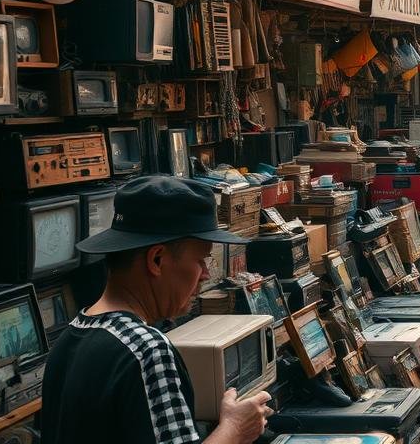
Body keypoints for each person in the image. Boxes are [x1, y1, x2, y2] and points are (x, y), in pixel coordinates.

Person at [41, 175, 271, 444]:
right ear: (157, 259)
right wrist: (235, 429)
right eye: (201, 260)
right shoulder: (146, 349)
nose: (205, 274)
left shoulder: (69, 338)